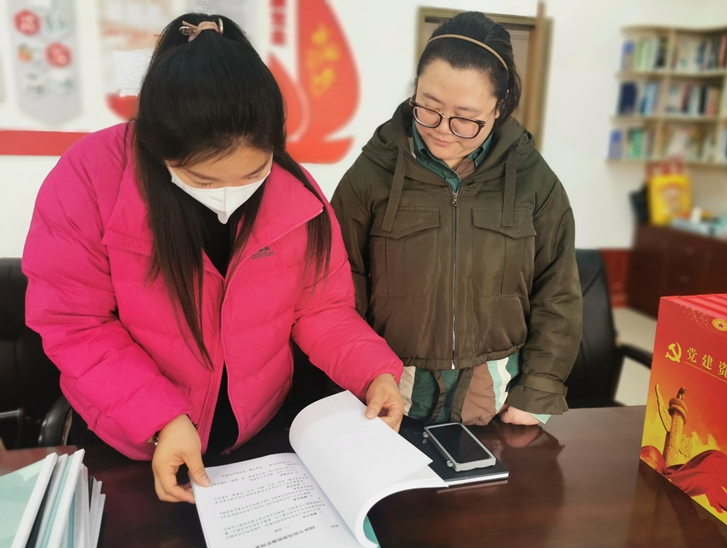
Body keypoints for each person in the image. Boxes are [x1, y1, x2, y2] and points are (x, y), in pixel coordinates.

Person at [22, 14, 404, 503]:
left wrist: (373, 372)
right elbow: (75, 323)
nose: (229, 193)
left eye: (252, 173)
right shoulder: (90, 178)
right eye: (203, 179)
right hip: (132, 441)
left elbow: (321, 308)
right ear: (159, 148)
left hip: (257, 439)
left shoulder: (297, 191)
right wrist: (160, 418)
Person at [331, 12, 581, 428]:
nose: (442, 130)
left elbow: (557, 291)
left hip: (496, 396)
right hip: (390, 392)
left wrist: (537, 390)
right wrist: (361, 374)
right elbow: (339, 287)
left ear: (500, 107)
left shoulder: (533, 181)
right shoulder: (373, 173)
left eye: (465, 118)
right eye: (428, 108)